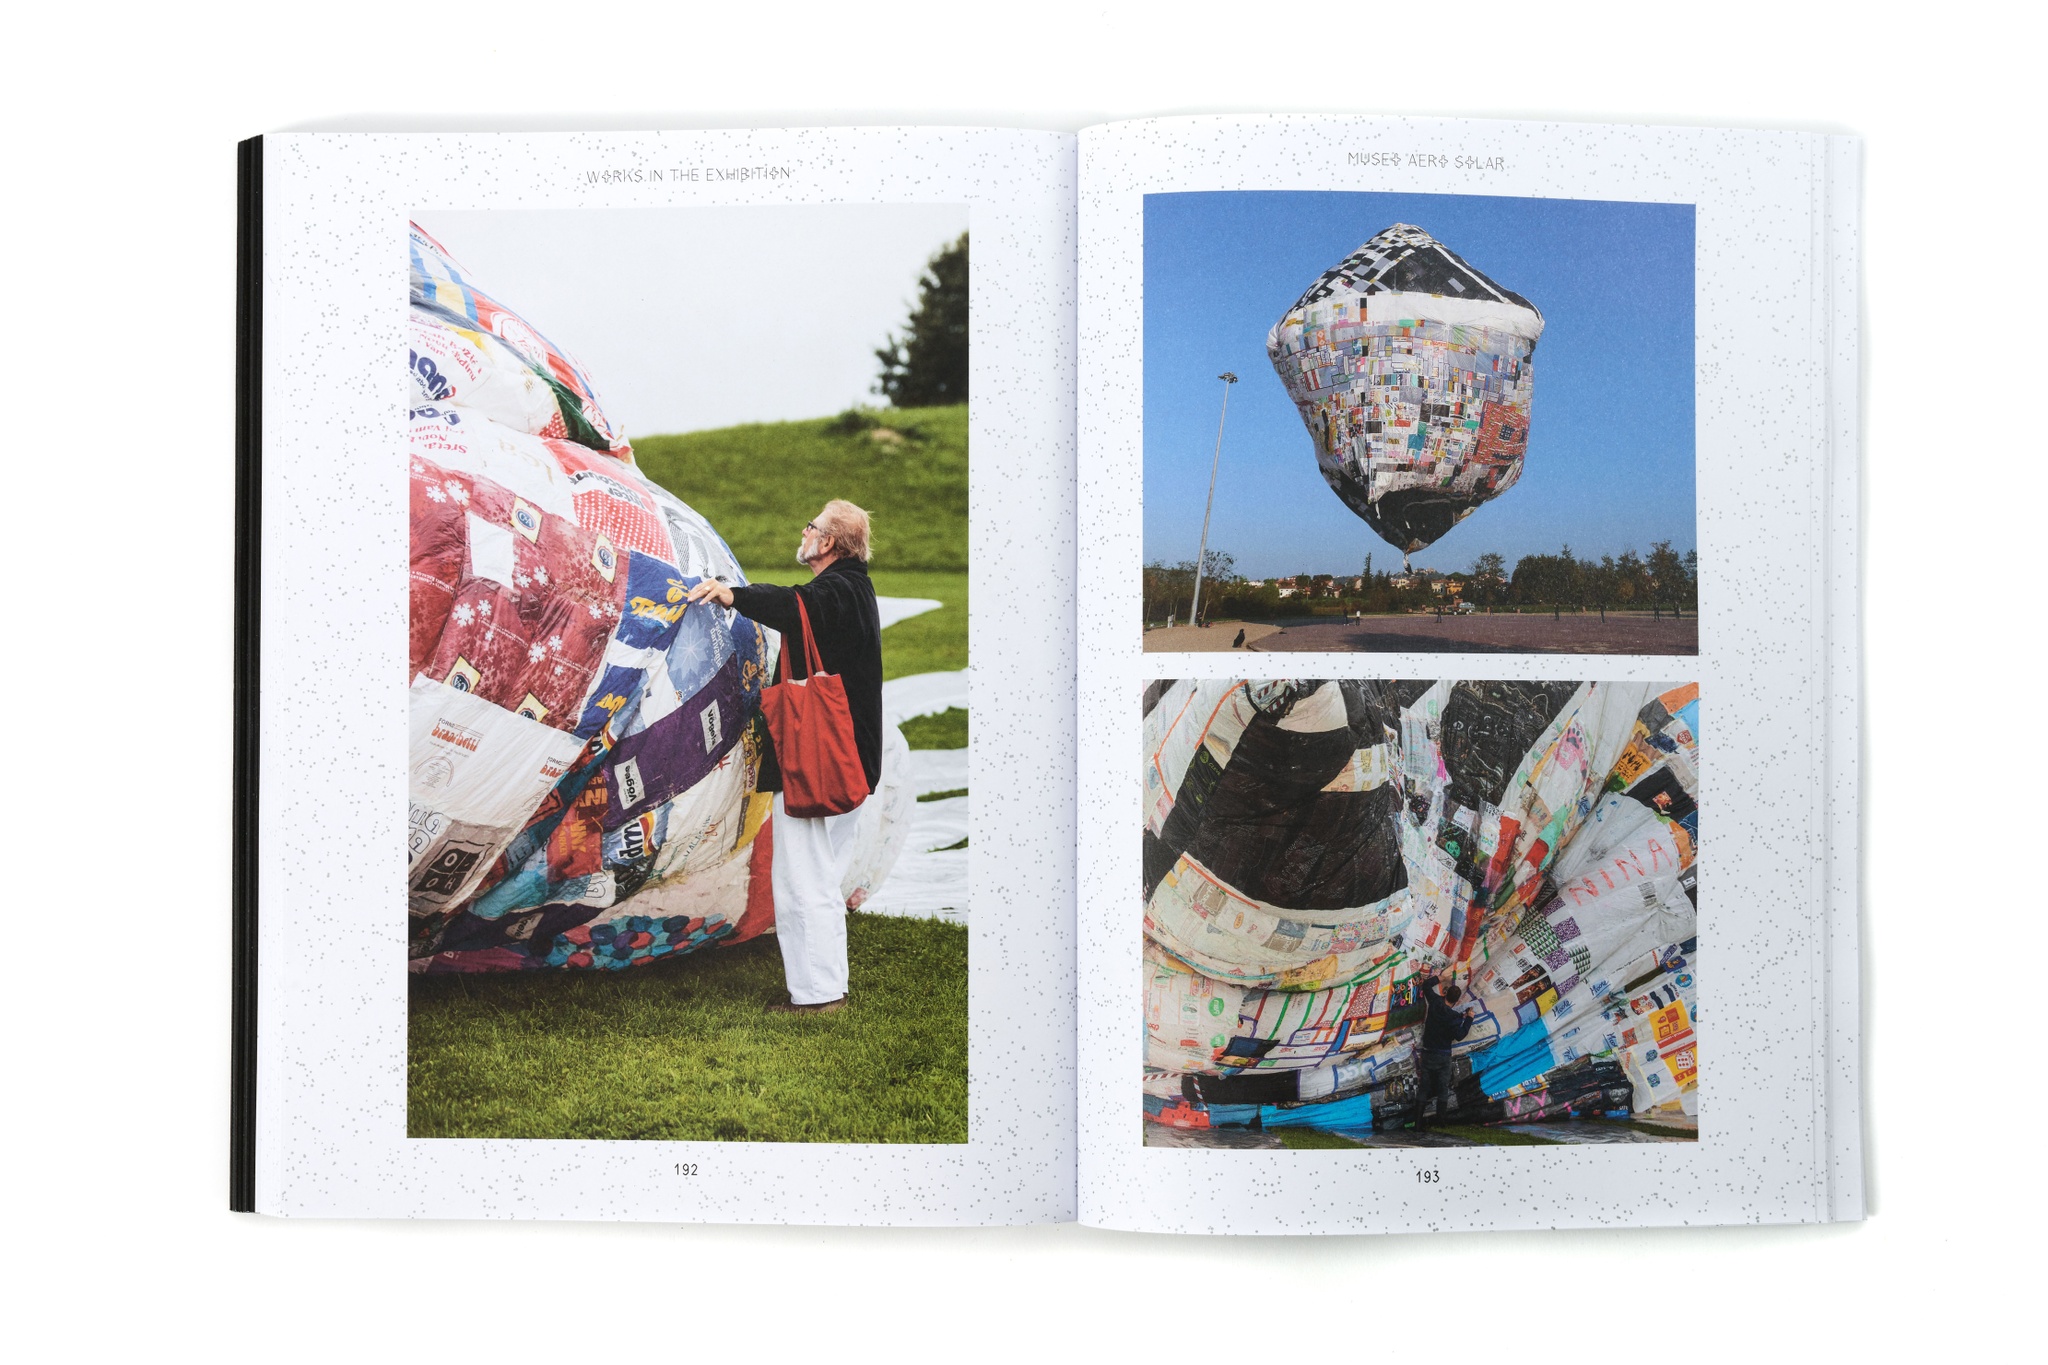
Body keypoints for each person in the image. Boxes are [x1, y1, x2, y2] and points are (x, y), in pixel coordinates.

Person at [685, 500, 882, 1015]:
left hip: (824, 763)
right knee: (817, 875)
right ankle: (827, 987)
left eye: (813, 525)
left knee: (802, 880)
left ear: (829, 544)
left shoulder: (839, 589)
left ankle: (817, 997)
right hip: (847, 762)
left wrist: (733, 595)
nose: (805, 529)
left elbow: (797, 605)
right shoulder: (854, 588)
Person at [1411, 965, 1475, 1128]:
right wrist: (1469, 1018)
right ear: (1457, 1001)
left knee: (1424, 1088)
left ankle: (1417, 1123)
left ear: (1445, 993)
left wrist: (1438, 978)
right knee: (1442, 1089)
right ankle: (1441, 1121)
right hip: (1443, 1057)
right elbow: (1460, 1035)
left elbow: (1426, 986)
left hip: (1427, 1053)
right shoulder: (1454, 1018)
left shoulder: (1435, 1003)